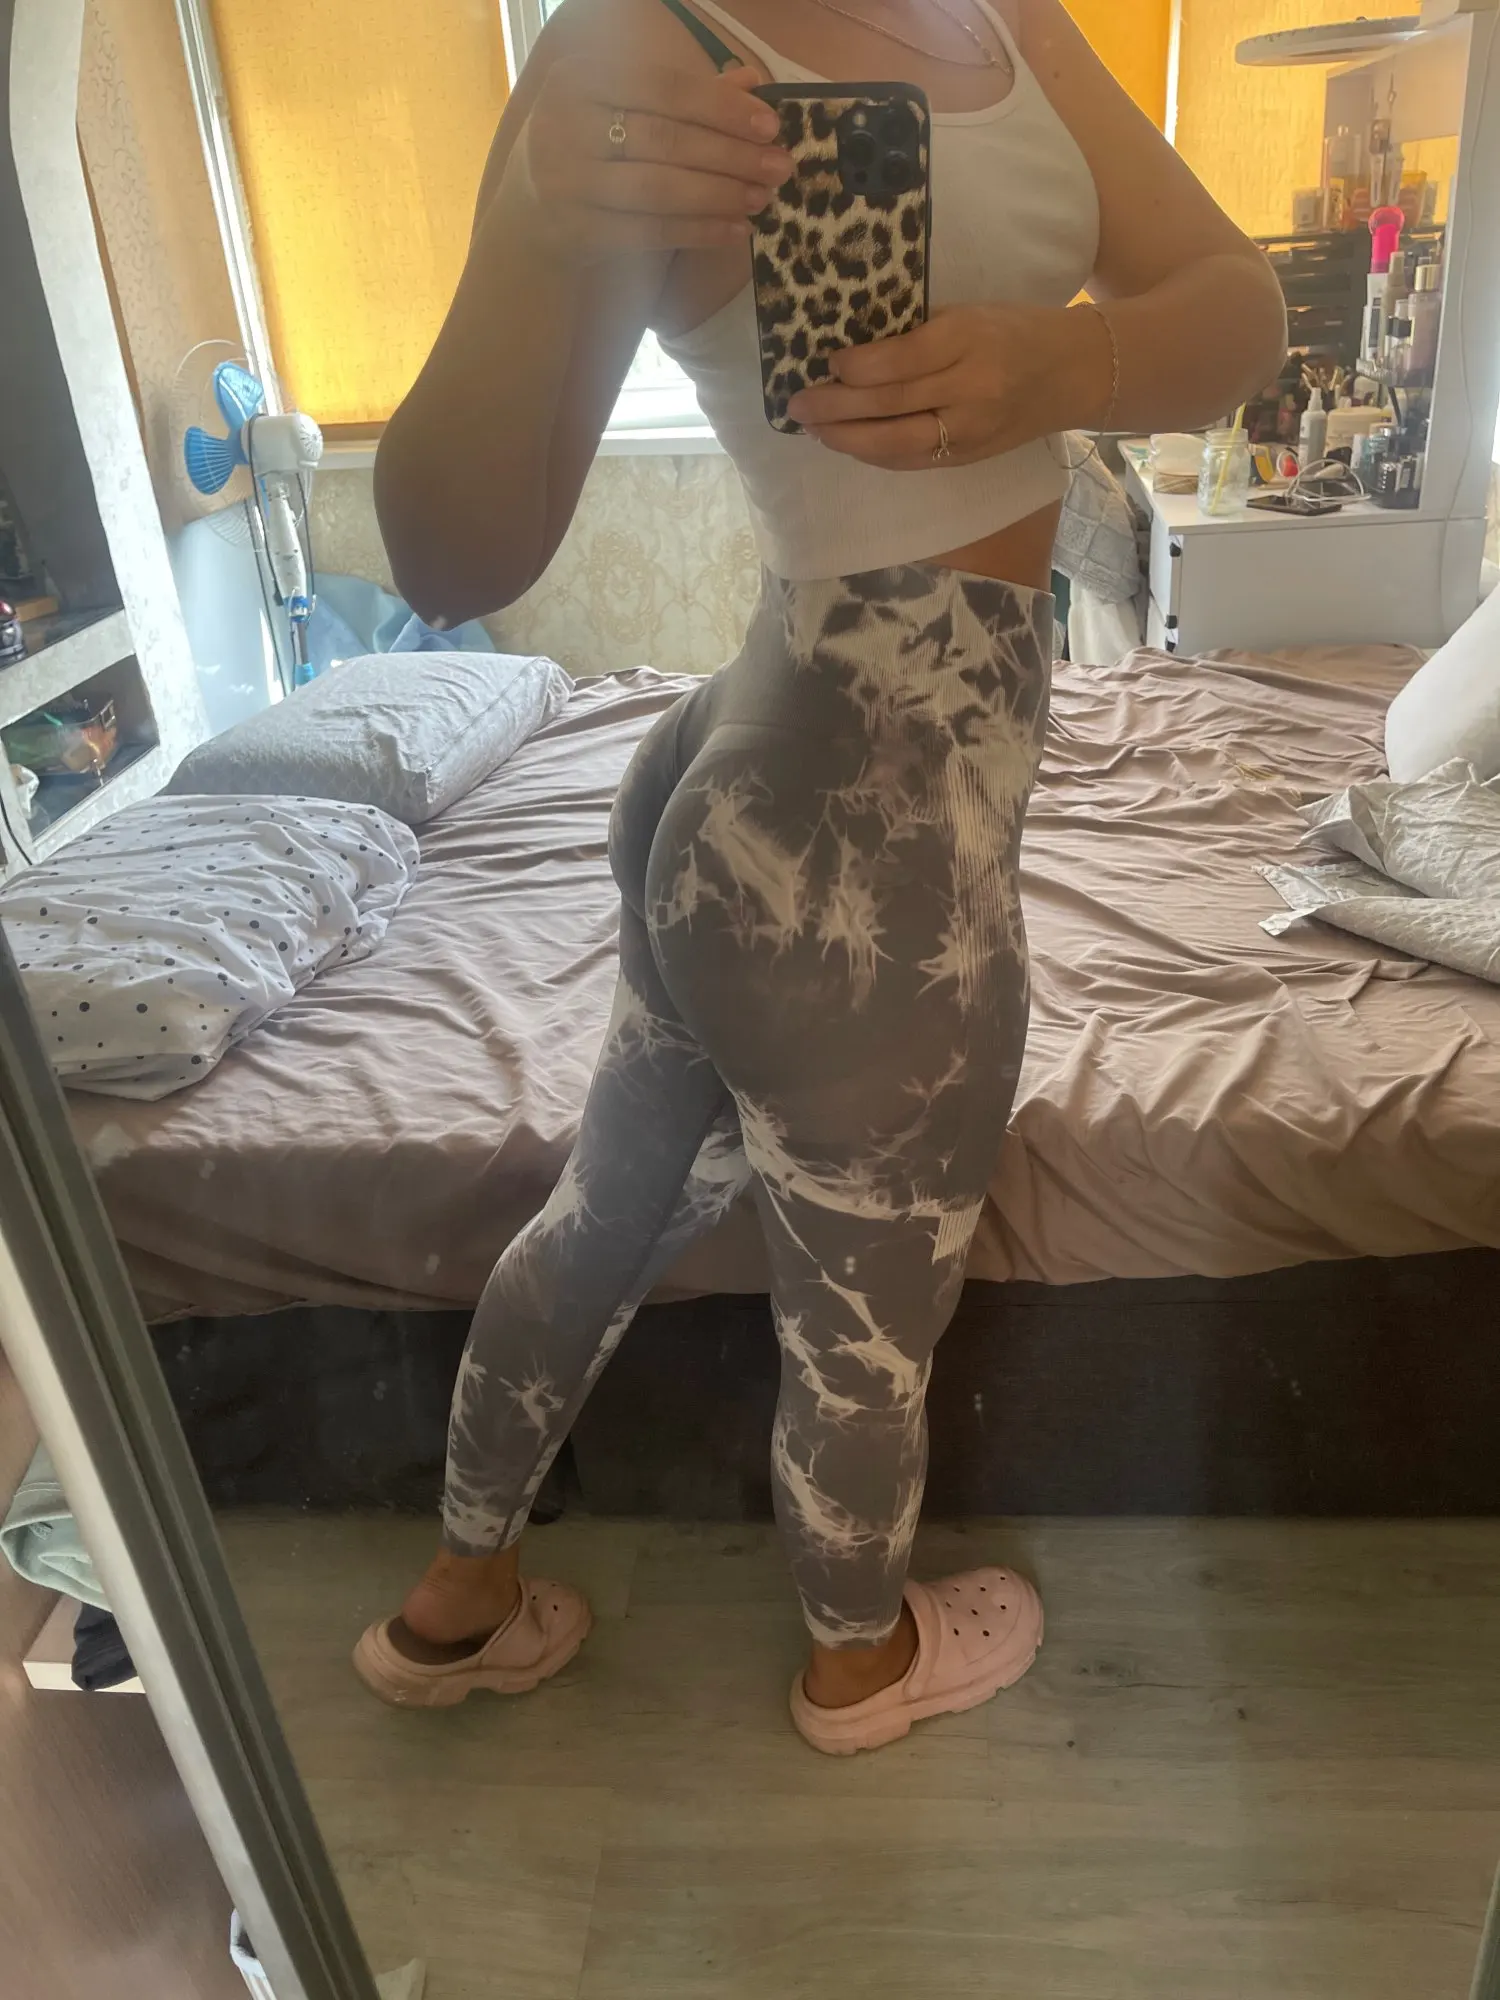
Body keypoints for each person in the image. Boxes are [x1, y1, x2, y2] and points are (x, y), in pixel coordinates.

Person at [357, 0, 1285, 1753]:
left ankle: (458, 1597)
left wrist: (1057, 367)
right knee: (865, 1329)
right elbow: (446, 556)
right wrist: (532, 227)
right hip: (867, 824)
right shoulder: (650, 48)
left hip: (746, 756)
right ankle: (859, 1667)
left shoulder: (1007, 15)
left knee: (605, 1207)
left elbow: (1241, 307)